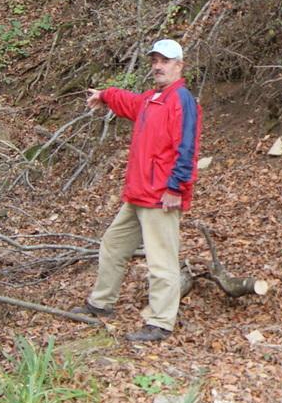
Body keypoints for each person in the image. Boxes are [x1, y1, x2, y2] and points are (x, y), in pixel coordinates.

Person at [74, 38, 200, 342]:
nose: (158, 66)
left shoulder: (182, 100)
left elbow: (187, 149)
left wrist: (176, 188)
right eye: (155, 60)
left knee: (161, 262)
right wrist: (104, 95)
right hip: (138, 194)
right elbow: (127, 101)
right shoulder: (151, 100)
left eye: (165, 61)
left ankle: (160, 323)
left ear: (179, 66)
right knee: (114, 245)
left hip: (161, 196)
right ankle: (101, 304)